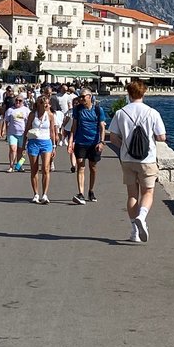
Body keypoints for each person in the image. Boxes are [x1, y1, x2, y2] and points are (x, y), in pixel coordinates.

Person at [109, 79, 166, 243]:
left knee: (132, 195)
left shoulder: (121, 113)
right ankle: (142, 216)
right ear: (144, 93)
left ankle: (134, 232)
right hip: (147, 159)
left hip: (127, 159)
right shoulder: (152, 113)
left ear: (128, 93)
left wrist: (125, 146)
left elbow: (113, 138)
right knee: (148, 192)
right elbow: (161, 137)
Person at [69, 90, 107, 204]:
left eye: (83, 97)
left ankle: (91, 190)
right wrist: (71, 141)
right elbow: (74, 126)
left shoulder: (98, 110)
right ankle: (80, 193)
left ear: (89, 97)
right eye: (79, 97)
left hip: (94, 143)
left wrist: (102, 142)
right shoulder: (78, 109)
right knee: (81, 166)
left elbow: (102, 127)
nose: (81, 99)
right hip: (81, 142)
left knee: (93, 167)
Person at [21, 94, 57, 203]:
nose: (46, 105)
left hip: (46, 143)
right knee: (34, 169)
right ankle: (36, 194)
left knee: (45, 168)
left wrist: (54, 146)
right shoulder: (33, 115)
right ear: (39, 104)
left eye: (47, 103)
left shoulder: (50, 115)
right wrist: (23, 145)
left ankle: (45, 194)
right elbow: (27, 129)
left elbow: (52, 131)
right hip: (34, 143)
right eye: (44, 103)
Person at [3, 93, 29, 171]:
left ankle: (19, 166)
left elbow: (29, 121)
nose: (18, 102)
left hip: (22, 133)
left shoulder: (26, 110)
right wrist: (3, 130)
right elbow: (6, 121)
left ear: (23, 102)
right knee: (12, 149)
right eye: (16, 100)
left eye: (20, 101)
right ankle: (11, 166)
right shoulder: (10, 110)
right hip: (12, 133)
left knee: (20, 151)